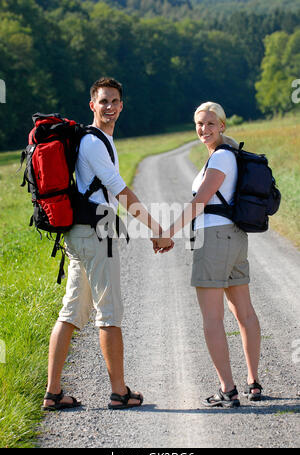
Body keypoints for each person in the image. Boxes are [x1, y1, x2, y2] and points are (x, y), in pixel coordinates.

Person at [42, 77, 174, 411]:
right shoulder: (93, 143)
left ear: (121, 105)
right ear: (92, 105)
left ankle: (53, 393)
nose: (110, 107)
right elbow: (119, 190)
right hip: (94, 235)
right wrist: (156, 229)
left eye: (115, 101)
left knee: (71, 313)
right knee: (109, 312)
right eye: (103, 101)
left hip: (83, 234)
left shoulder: (100, 140)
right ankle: (119, 392)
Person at [152, 102, 262, 408]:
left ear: (222, 126)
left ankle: (228, 390)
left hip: (213, 239)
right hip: (234, 238)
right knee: (244, 313)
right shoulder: (225, 155)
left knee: (213, 319)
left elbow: (201, 201)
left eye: (210, 124)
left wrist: (168, 232)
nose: (204, 129)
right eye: (199, 124)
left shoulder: (221, 158)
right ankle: (253, 383)